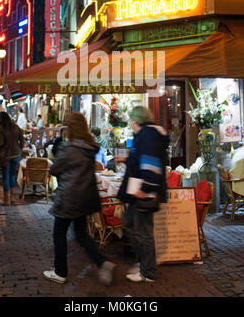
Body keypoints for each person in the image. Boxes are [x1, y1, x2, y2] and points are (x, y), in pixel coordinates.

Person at [43, 112, 115, 285]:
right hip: (86, 197)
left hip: (69, 197)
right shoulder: (90, 147)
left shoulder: (69, 148)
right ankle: (102, 262)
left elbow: (54, 169)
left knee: (59, 234)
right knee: (81, 234)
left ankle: (60, 272)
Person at [115, 106, 169, 283]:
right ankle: (145, 264)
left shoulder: (147, 135)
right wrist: (128, 158)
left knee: (142, 232)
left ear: (135, 120)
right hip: (140, 191)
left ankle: (148, 272)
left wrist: (145, 189)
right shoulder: (147, 135)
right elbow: (145, 158)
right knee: (130, 223)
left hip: (144, 193)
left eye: (131, 120)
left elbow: (152, 165)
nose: (131, 123)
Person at [0, 112, 24, 206]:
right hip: (16, 154)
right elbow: (22, 140)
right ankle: (12, 198)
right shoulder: (16, 127)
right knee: (13, 176)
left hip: (6, 156)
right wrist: (20, 150)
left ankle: (6, 200)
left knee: (6, 177)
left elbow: (0, 143)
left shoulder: (1, 129)